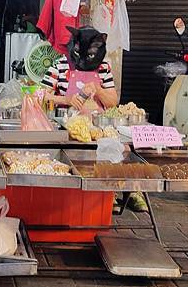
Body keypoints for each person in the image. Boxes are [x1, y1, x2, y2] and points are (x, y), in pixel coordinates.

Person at [42, 26, 147, 212]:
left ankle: (122, 192)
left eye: (88, 55)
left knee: (122, 149)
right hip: (68, 128)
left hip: (97, 129)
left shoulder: (104, 68)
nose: (82, 60)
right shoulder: (61, 64)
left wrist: (98, 89)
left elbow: (113, 102)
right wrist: (66, 99)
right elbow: (41, 95)